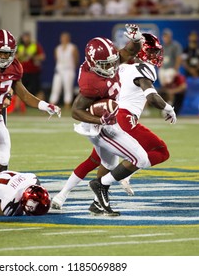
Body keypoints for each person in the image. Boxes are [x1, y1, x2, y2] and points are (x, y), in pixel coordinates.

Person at [52, 33, 177, 212]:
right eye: (151, 52)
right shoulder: (95, 81)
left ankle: (75, 198)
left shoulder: (115, 65)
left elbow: (126, 52)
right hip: (113, 119)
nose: (111, 66)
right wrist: (168, 108)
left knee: (101, 161)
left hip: (111, 116)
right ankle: (110, 180)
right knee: (149, 155)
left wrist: (135, 39)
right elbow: (151, 96)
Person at [0, 29, 61, 174]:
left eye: (7, 53)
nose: (3, 56)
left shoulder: (15, 67)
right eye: (0, 52)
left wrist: (45, 105)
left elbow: (24, 95)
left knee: (2, 160)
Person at [49, 32, 79, 109]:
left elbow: (76, 60)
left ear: (68, 38)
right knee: (55, 88)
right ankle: (51, 106)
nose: (63, 39)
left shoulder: (72, 48)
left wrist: (72, 68)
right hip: (59, 71)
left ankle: (67, 105)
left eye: (65, 37)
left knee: (68, 88)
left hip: (68, 70)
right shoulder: (57, 48)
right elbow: (57, 60)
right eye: (62, 37)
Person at [16, 31, 46, 100]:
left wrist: (33, 57)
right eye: (25, 37)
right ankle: (18, 107)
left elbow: (42, 56)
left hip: (33, 71)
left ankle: (43, 106)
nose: (26, 39)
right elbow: (13, 57)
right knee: (19, 89)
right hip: (22, 71)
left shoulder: (35, 45)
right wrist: (20, 55)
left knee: (37, 89)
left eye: (27, 37)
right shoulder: (19, 46)